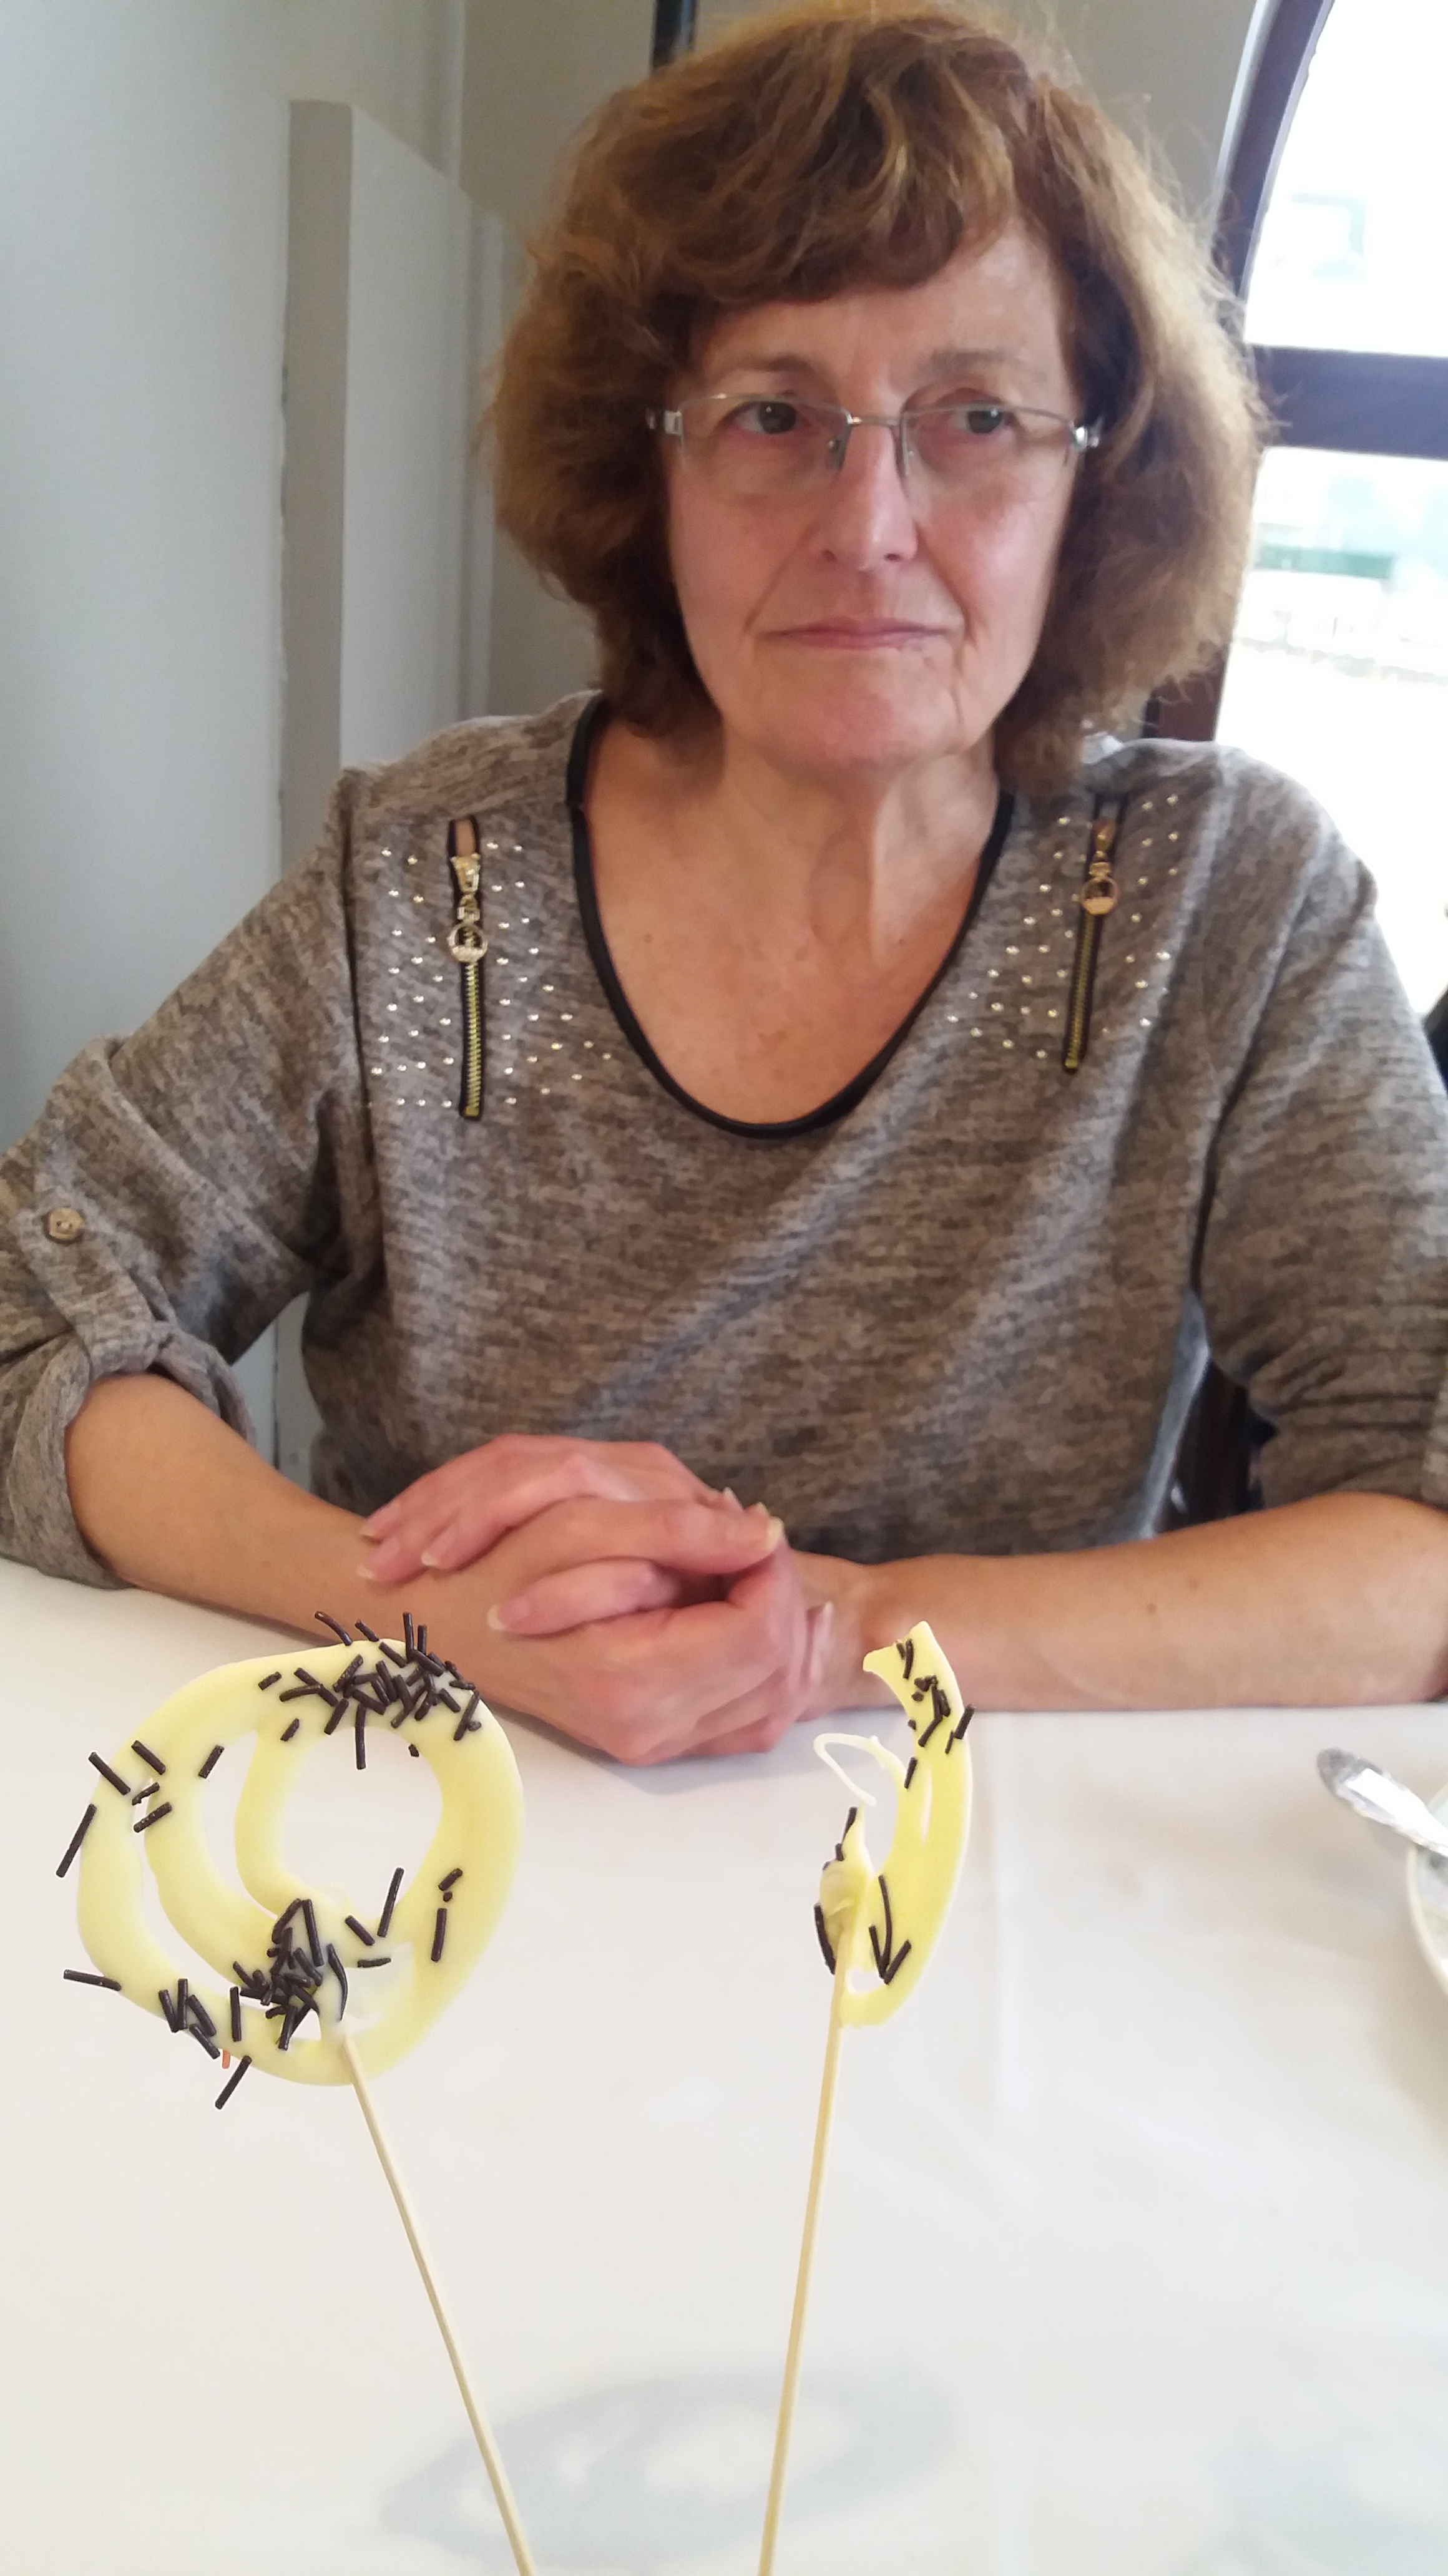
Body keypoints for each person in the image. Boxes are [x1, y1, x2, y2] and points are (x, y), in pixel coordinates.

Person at [4, 0, 1448, 1760]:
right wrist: (424, 1622)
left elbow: (1424, 1527)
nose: (868, 526)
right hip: (454, 1839)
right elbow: (33, 1310)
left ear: (1102, 480)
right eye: (774, 414)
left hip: (988, 1878)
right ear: (651, 466)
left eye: (974, 416)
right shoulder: (432, 886)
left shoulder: (1231, 908)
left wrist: (832, 1629)